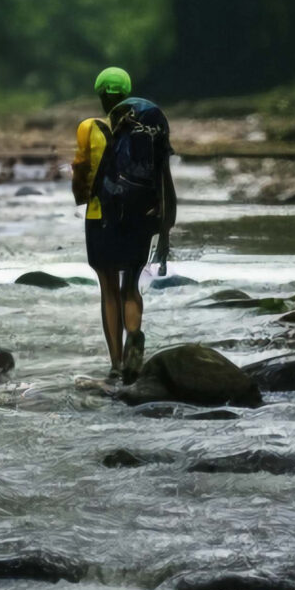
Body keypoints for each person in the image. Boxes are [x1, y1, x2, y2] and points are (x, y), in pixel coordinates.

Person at [71, 66, 176, 382]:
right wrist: (165, 224)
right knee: (130, 283)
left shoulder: (90, 128)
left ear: (102, 95)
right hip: (141, 215)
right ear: (128, 93)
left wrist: (82, 192)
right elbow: (163, 178)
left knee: (108, 288)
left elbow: (81, 182)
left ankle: (116, 363)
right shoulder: (150, 129)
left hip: (101, 217)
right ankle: (135, 335)